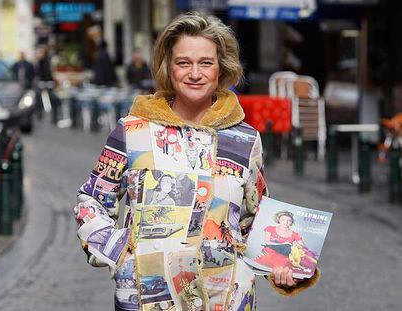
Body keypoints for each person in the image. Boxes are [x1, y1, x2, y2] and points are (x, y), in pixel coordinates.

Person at [74, 12, 320, 311]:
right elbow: (92, 199)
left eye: (206, 62)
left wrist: (285, 270)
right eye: (183, 62)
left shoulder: (244, 139)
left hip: (227, 298)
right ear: (169, 67)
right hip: (146, 298)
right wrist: (119, 255)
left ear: (221, 68)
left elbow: (253, 220)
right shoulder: (133, 131)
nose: (195, 73)